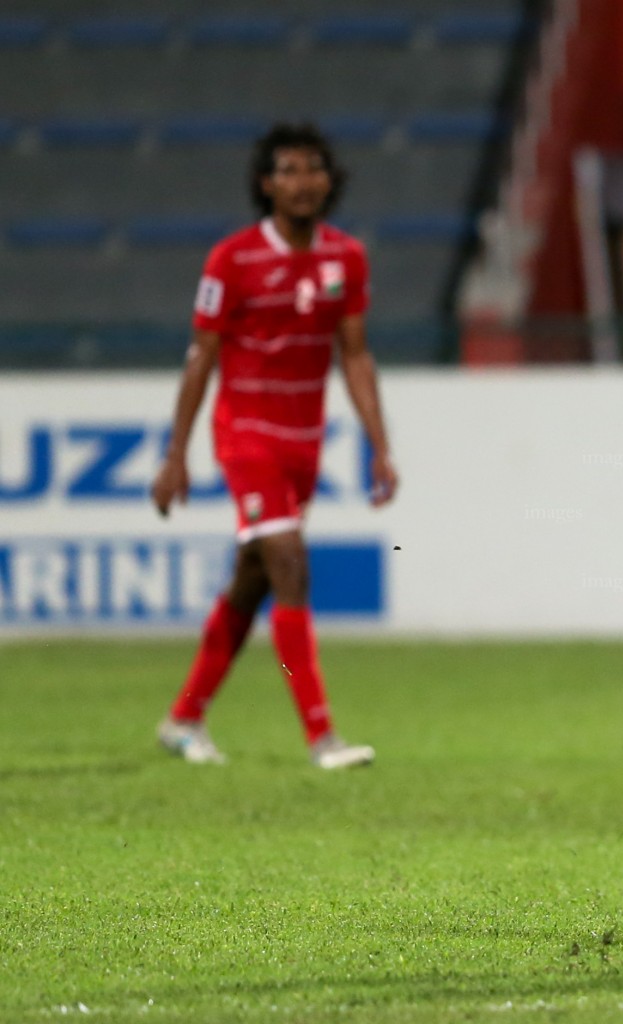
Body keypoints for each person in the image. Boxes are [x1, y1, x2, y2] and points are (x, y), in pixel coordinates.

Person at [150, 122, 395, 771]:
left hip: (305, 443)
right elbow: (201, 358)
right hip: (246, 433)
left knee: (252, 581)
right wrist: (176, 453)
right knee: (288, 559)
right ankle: (323, 737)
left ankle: (183, 719)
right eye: (287, 170)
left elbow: (356, 355)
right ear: (266, 184)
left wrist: (379, 445)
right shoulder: (232, 259)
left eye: (313, 167)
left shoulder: (346, 257)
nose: (302, 180)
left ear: (329, 179)